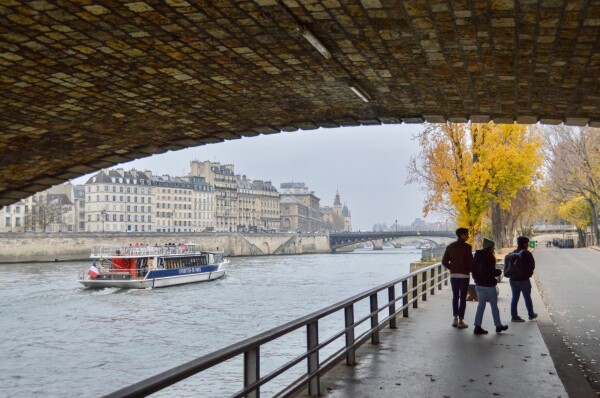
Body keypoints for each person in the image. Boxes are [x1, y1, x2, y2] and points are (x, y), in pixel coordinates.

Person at [472, 238, 508, 335]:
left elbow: (474, 270)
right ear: (490, 247)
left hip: (479, 285)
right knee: (494, 306)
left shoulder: (477, 256)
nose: (494, 249)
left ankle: (477, 326)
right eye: (493, 247)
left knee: (481, 306)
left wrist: (477, 280)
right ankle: (498, 325)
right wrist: (499, 272)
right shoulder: (489, 257)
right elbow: (490, 272)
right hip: (489, 285)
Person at [441, 227, 473, 329]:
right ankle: (461, 320)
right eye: (467, 234)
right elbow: (471, 262)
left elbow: (444, 261)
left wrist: (452, 268)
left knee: (455, 297)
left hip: (454, 275)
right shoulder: (467, 247)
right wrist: (470, 269)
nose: (468, 236)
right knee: (463, 297)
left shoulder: (450, 247)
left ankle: (455, 319)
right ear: (462, 235)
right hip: (464, 275)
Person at [510, 236, 538, 322]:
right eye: (527, 243)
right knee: (527, 298)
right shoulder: (527, 253)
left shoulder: (513, 253)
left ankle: (514, 316)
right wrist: (528, 274)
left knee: (514, 298)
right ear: (524, 244)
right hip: (524, 280)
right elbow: (532, 266)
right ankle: (531, 314)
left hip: (513, 280)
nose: (528, 245)